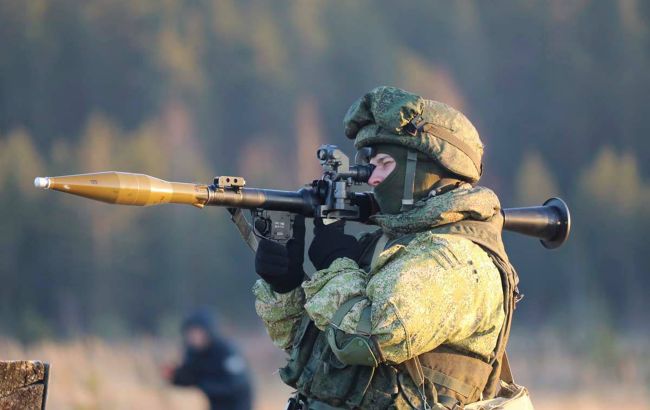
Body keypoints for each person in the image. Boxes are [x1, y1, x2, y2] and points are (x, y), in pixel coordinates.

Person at [253, 86, 533, 409]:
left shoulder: (457, 259)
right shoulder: (387, 247)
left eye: (385, 164)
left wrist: (335, 264)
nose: (372, 179)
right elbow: (319, 353)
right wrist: (286, 285)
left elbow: (365, 338)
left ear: (427, 170)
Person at [166, 309, 253, 410]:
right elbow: (190, 377)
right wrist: (174, 376)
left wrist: (205, 383)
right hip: (215, 405)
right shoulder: (193, 353)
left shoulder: (226, 351)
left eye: (198, 333)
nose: (194, 337)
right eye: (191, 333)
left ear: (209, 331)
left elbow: (237, 383)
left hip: (238, 405)